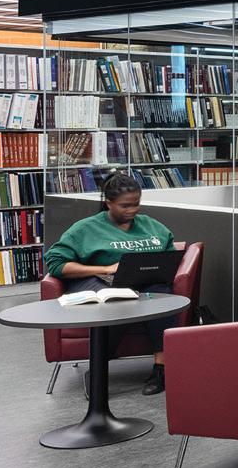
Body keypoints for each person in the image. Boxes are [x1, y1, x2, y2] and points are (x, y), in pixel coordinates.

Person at [44, 169, 180, 395]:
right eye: (125, 206)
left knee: (162, 297)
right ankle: (98, 368)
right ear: (108, 203)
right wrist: (106, 268)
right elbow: (56, 263)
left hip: (144, 281)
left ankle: (161, 369)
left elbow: (169, 257)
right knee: (119, 301)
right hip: (100, 282)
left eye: (136, 204)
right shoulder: (86, 228)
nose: (132, 210)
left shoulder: (152, 226)